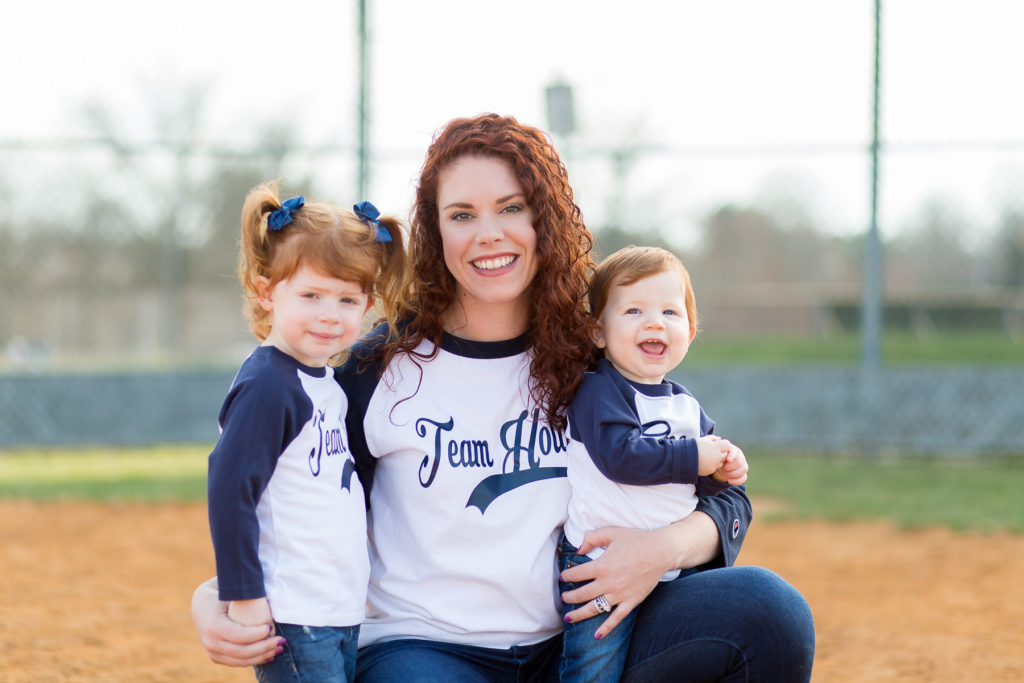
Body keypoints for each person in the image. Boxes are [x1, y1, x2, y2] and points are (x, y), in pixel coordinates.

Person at [192, 113, 816, 682]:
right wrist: (215, 595)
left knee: (768, 613)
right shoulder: (377, 366)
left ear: (543, 219)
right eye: (461, 214)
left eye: (510, 208)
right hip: (423, 651)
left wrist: (661, 551)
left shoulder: (590, 356)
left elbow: (726, 496)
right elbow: (284, 491)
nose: (487, 234)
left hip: (576, 646)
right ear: (435, 232)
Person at [205, 181, 406, 682]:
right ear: (266, 291)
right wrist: (244, 597)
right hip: (294, 615)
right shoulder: (268, 384)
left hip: (334, 609)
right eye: (311, 294)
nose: (328, 314)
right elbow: (230, 492)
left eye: (346, 299)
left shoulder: (326, 385)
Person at [558, 246, 749, 682]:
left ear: (690, 330)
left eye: (670, 311)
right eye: (633, 311)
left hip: (672, 571)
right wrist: (694, 458)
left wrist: (720, 473)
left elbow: (701, 486)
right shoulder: (599, 390)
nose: (655, 322)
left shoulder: (685, 405)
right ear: (598, 333)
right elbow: (620, 456)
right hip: (599, 565)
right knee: (594, 669)